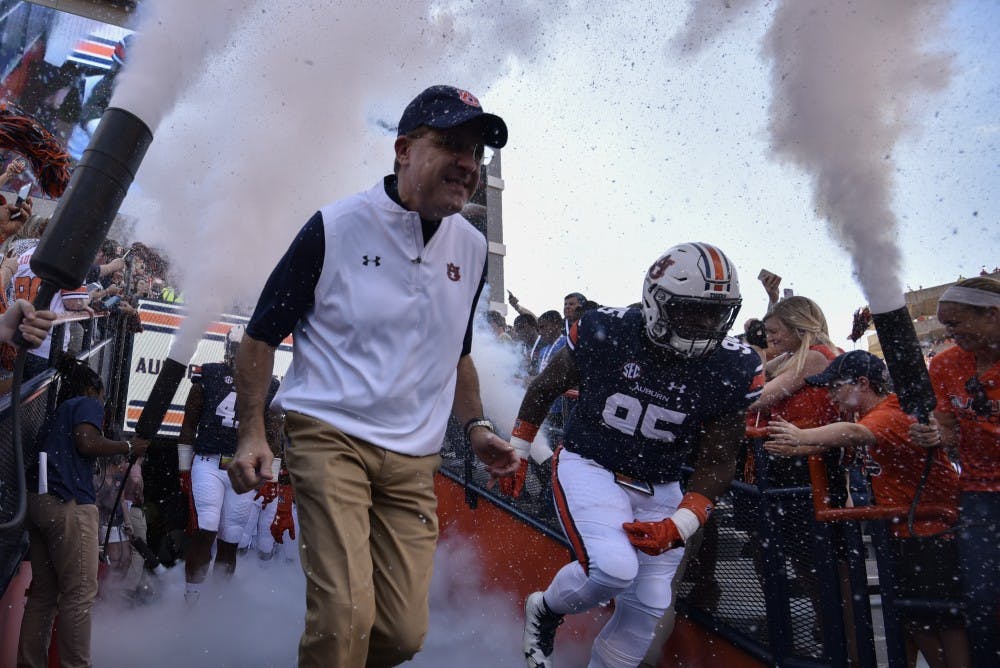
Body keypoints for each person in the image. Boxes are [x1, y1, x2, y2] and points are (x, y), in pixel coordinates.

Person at [227, 85, 519, 667]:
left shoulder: (474, 246)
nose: (469, 163)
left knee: (400, 636)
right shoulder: (333, 227)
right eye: (452, 144)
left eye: (477, 152)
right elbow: (259, 336)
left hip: (414, 460)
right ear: (404, 150)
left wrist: (478, 426)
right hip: (330, 436)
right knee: (344, 623)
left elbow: (457, 351)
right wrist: (252, 432)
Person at [507, 242, 761, 668]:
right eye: (690, 311)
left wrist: (681, 521)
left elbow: (719, 458)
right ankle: (545, 610)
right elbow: (544, 387)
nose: (703, 325)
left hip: (660, 481)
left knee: (649, 605)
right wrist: (517, 449)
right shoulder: (607, 329)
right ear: (656, 301)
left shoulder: (733, 365)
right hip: (590, 462)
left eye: (715, 314)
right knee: (612, 569)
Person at [766, 350, 968, 668]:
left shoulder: (891, 411)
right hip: (906, 531)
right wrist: (800, 446)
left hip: (931, 533)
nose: (830, 394)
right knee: (912, 620)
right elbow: (847, 441)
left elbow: (859, 435)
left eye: (835, 386)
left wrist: (800, 434)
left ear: (862, 383)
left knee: (941, 622)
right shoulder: (867, 416)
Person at [17, 356, 149, 667]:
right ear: (93, 390)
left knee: (43, 596)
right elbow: (87, 442)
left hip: (38, 502)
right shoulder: (85, 403)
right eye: (102, 399)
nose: (102, 406)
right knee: (78, 596)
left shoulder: (56, 415)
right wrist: (127, 448)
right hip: (68, 505)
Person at [910, 276, 1000, 668]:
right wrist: (930, 434)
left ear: (992, 315)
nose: (949, 333)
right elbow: (945, 428)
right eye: (945, 325)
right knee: (981, 598)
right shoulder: (946, 363)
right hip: (980, 495)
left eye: (957, 323)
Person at [178, 324, 280, 603]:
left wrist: (274, 476)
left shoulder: (267, 385)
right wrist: (184, 468)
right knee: (206, 528)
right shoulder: (208, 375)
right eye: (237, 349)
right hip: (209, 463)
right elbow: (188, 426)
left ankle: (218, 603)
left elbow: (273, 435)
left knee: (231, 539)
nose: (239, 355)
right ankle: (192, 598)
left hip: (243, 468)